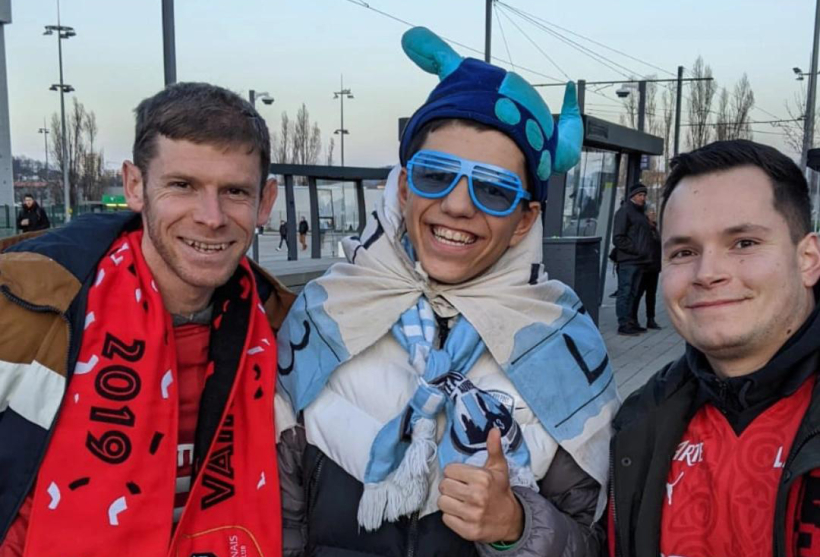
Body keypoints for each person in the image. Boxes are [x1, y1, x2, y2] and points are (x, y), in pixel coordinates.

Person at [275, 27, 618, 557]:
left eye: (494, 190)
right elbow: (282, 513)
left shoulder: (564, 342)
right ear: (406, 186)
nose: (458, 206)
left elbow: (593, 540)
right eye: (436, 176)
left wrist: (517, 526)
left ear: (526, 220)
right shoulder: (325, 312)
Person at [0, 82, 295, 557]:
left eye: (235, 191)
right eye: (182, 185)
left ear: (265, 202)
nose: (211, 217)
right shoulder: (24, 308)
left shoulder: (285, 329)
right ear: (136, 186)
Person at [608, 140, 820, 557]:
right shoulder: (638, 421)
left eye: (743, 243)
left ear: (808, 259)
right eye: (684, 252)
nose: (708, 273)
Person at [611, 183, 653, 335]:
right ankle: (623, 324)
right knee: (625, 292)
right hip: (629, 260)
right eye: (640, 195)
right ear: (633, 196)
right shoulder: (625, 211)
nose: (643, 198)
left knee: (634, 293)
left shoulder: (640, 213)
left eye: (644, 195)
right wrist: (636, 250)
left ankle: (631, 322)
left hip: (640, 261)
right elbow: (618, 238)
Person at [633, 205, 662, 330]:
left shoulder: (655, 228)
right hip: (644, 265)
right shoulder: (643, 228)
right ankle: (633, 318)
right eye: (651, 212)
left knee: (651, 294)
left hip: (654, 266)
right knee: (638, 293)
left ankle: (651, 319)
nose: (653, 214)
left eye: (654, 212)